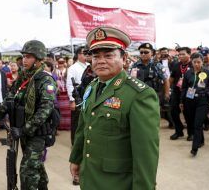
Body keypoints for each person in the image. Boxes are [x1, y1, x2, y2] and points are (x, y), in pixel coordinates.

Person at [69, 26, 160, 190]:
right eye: (96, 56)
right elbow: (83, 127)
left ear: (124, 58)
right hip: (90, 176)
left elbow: (145, 153)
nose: (100, 61)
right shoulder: (93, 86)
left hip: (116, 182)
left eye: (109, 55)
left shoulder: (140, 94)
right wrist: (76, 158)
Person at [0, 40, 57, 190]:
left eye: (29, 56)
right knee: (35, 166)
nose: (24, 60)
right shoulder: (23, 77)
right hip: (21, 131)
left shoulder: (45, 80)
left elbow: (45, 110)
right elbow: (10, 99)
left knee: (27, 172)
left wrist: (24, 130)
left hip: (36, 134)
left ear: (39, 59)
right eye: (24, 56)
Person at [180, 53, 209, 156]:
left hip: (203, 100)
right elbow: (184, 88)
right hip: (190, 100)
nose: (196, 64)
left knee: (198, 123)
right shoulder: (188, 73)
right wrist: (181, 101)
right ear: (191, 62)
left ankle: (194, 148)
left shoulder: (208, 72)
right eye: (194, 62)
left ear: (202, 62)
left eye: (199, 62)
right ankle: (201, 140)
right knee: (193, 122)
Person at [66, 46, 89, 146]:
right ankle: (75, 143)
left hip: (88, 97)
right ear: (79, 55)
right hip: (78, 97)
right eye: (84, 53)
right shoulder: (73, 68)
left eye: (88, 53)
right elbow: (70, 84)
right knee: (76, 122)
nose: (87, 55)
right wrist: (72, 100)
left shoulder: (89, 66)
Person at [169, 47, 192, 140]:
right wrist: (168, 90)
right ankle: (179, 131)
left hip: (189, 93)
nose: (181, 56)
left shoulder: (194, 64)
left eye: (183, 54)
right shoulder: (176, 65)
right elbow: (171, 78)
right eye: (179, 54)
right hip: (176, 92)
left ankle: (191, 133)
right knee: (173, 111)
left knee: (188, 113)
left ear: (189, 54)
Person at [54, 56, 71, 130]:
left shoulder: (67, 70)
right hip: (58, 93)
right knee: (60, 109)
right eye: (59, 62)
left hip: (66, 92)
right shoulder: (55, 71)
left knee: (67, 109)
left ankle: (67, 126)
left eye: (62, 62)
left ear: (64, 63)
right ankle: (60, 126)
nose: (61, 64)